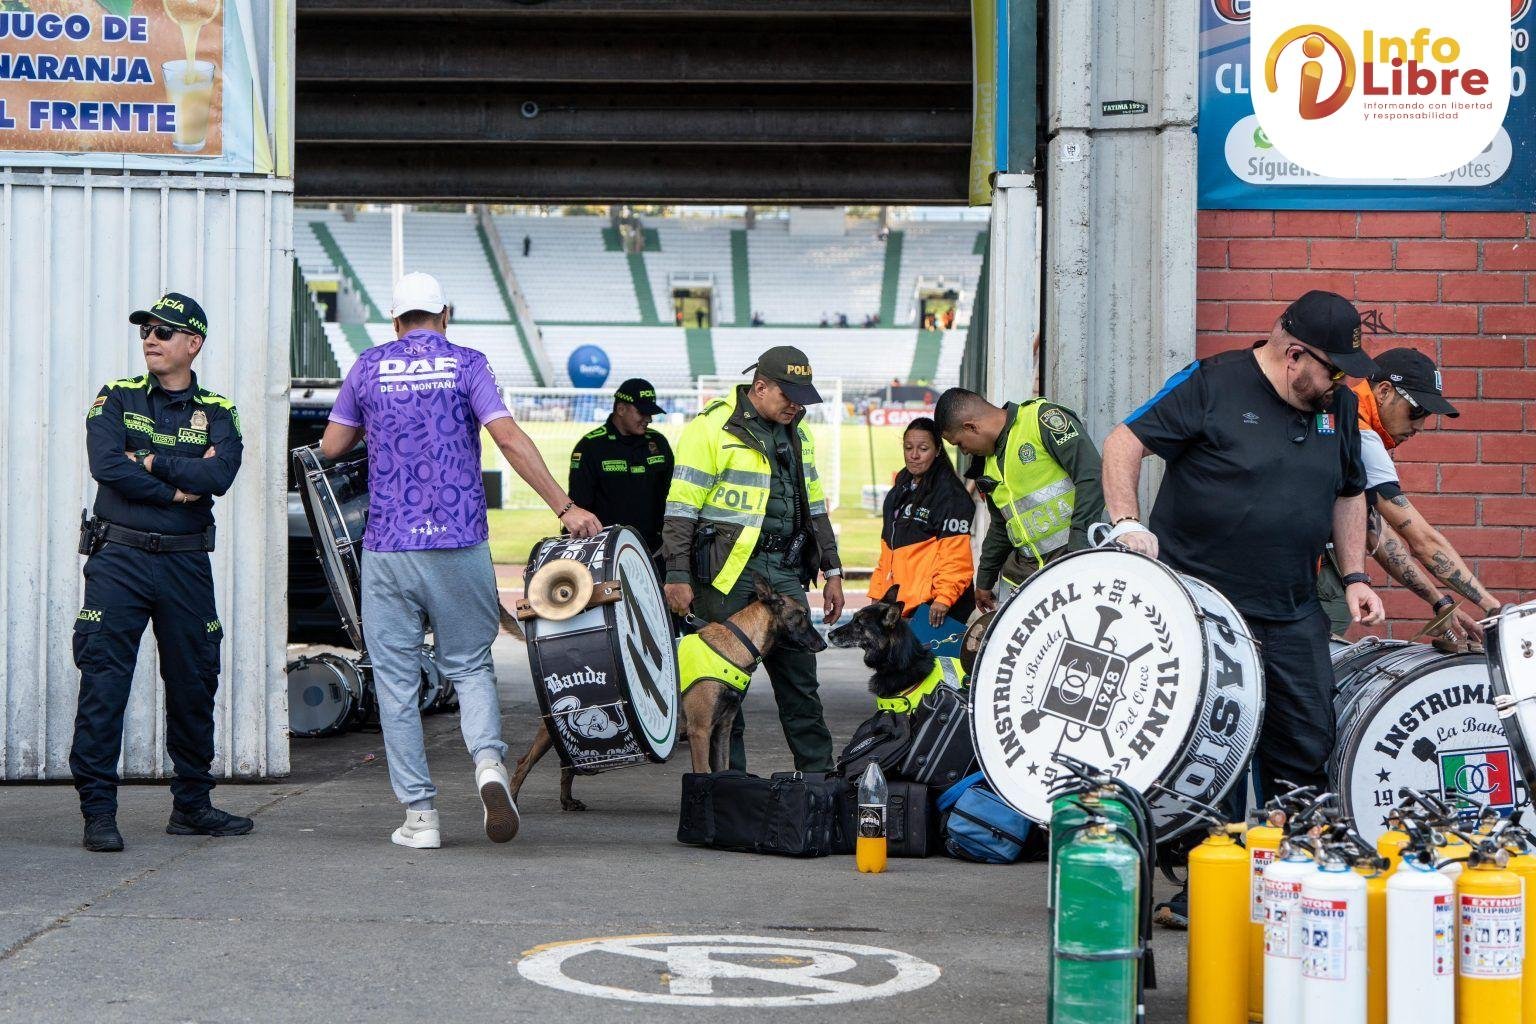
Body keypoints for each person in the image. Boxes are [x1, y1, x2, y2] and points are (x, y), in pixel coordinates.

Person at [1099, 289, 1386, 927]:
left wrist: (1356, 575)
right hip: (1206, 611)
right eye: (1333, 369)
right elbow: (1124, 441)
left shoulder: (1337, 407)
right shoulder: (1212, 382)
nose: (1341, 383)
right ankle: (1210, 890)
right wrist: (1126, 523)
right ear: (1295, 355)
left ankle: (1293, 884)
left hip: (1292, 606)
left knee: (1304, 744)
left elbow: (1348, 492)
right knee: (1215, 757)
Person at [321, 272, 601, 850]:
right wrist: (565, 506)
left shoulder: (368, 366)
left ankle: (420, 816)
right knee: (471, 666)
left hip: (390, 547)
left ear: (395, 321)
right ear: (444, 315)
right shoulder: (467, 363)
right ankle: (490, 768)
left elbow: (331, 447)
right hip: (460, 540)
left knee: (396, 683)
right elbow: (509, 439)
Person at [71, 292, 247, 852]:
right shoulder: (116, 395)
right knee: (104, 682)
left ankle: (192, 806)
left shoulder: (218, 409)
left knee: (195, 681)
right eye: (146, 330)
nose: (150, 338)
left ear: (193, 343)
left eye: (164, 331)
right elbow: (105, 466)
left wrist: (146, 460)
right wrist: (176, 488)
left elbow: (219, 477)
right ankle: (98, 814)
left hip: (185, 563)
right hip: (118, 560)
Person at [661, 346, 844, 772]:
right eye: (789, 395)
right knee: (723, 691)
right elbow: (681, 508)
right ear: (760, 387)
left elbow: (815, 506)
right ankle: (731, 787)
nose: (796, 405)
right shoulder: (710, 428)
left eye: (802, 397)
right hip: (726, 574)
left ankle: (819, 781)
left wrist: (832, 570)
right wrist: (677, 573)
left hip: (783, 569)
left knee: (801, 683)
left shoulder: (799, 433)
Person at [1317, 347, 1503, 639]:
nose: (1419, 425)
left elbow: (1375, 533)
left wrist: (1439, 601)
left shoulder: (1341, 418)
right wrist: (1494, 609)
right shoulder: (1360, 433)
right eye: (1416, 411)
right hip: (1310, 574)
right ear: (1384, 391)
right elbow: (1422, 539)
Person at [934, 387, 1107, 612]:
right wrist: (985, 578)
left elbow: (1092, 477)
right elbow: (1001, 525)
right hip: (1029, 580)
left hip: (1075, 564)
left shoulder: (1041, 420)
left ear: (971, 427)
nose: (964, 452)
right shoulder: (986, 463)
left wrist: (1079, 546)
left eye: (959, 444)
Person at [868, 417, 976, 628]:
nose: (914, 455)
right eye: (908, 448)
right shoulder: (900, 489)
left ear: (938, 450)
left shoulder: (950, 495)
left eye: (923, 449)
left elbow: (956, 558)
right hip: (903, 610)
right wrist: (878, 593)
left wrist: (944, 599)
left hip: (937, 610)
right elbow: (887, 553)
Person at [567, 378, 673, 553]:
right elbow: (578, 508)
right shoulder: (591, 447)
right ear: (621, 409)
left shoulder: (659, 443)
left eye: (650, 413)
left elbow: (672, 496)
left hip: (655, 550)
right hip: (605, 551)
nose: (648, 419)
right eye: (642, 412)